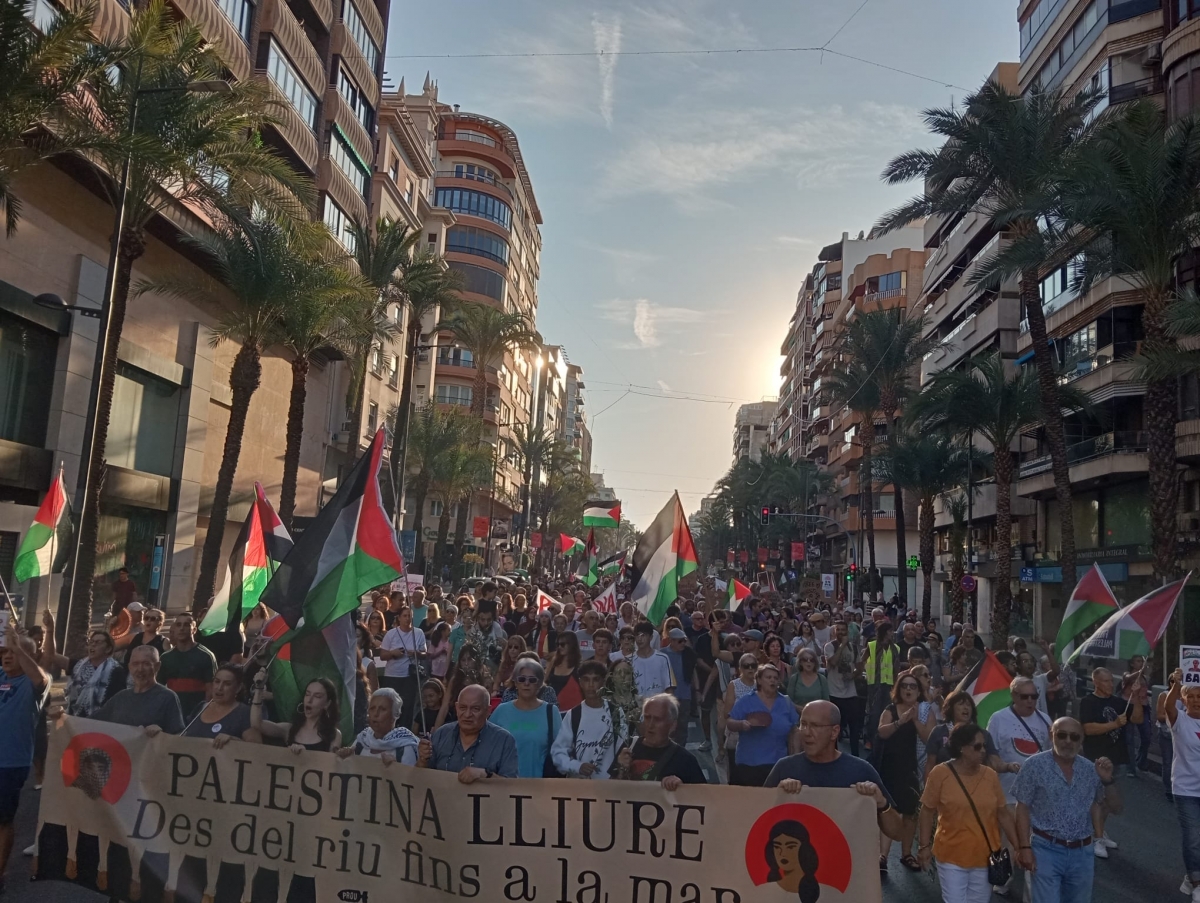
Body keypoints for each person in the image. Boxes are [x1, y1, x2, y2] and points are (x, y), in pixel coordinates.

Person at [765, 700, 904, 850]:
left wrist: (882, 803)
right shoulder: (784, 768)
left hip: (848, 868)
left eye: (815, 726)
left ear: (835, 732)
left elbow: (897, 833)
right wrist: (777, 795)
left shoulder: (861, 770)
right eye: (803, 724)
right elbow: (757, 824)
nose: (806, 732)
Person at [1013, 718, 1121, 903]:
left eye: (1074, 737)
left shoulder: (1091, 769)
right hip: (1045, 848)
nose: (1068, 741)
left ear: (1081, 740)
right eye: (1062, 735)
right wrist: (1024, 847)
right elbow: (1022, 807)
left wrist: (1107, 780)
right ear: (1051, 735)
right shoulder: (1034, 765)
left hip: (1082, 852)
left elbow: (1116, 808)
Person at [918, 722, 1019, 903]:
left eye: (984, 746)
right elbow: (927, 811)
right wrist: (924, 847)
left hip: (986, 855)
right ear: (961, 748)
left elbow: (1002, 814)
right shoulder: (940, 774)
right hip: (950, 855)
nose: (983, 751)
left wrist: (1019, 847)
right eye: (977, 746)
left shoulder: (990, 775)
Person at [0, 633, 50, 894]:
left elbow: (39, 677)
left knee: (2, 819)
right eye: (6, 652)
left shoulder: (35, 683)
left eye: (16, 652)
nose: (9, 656)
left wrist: (20, 648)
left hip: (10, 762)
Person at [875, 672, 936, 871]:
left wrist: (916, 719)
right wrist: (901, 720)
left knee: (910, 813)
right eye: (905, 686)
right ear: (898, 690)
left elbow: (930, 739)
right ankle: (882, 855)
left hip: (912, 768)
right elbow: (882, 732)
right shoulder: (890, 709)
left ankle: (906, 853)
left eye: (912, 686)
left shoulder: (925, 712)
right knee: (888, 810)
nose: (908, 690)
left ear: (919, 691)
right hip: (890, 766)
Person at [1080, 667, 1132, 856]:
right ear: (1096, 682)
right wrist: (1114, 724)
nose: (1110, 684)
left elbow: (1138, 717)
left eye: (1111, 680)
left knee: (1110, 801)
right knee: (1098, 800)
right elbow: (1088, 729)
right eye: (1106, 681)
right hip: (1097, 758)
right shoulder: (1088, 702)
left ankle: (1099, 830)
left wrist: (1136, 692)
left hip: (1117, 757)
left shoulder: (1119, 702)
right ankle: (1097, 837)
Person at [417, 684, 519, 780]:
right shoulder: (441, 734)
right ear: (456, 708)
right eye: (463, 708)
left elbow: (510, 787)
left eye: (475, 709)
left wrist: (485, 774)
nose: (467, 714)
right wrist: (422, 760)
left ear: (488, 711)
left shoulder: (504, 741)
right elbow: (421, 779)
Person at [551, 660, 629, 779]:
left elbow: (622, 751)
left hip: (608, 788)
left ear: (603, 682)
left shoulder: (616, 714)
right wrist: (577, 766)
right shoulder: (573, 715)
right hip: (578, 790)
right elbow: (558, 753)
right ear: (580, 682)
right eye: (586, 680)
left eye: (596, 679)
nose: (591, 685)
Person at [1161, 669, 1200, 901]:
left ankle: (1190, 876)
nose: (1196, 701)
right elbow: (1168, 706)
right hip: (1186, 789)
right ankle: (1196, 882)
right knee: (1193, 836)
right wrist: (1177, 683)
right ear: (1184, 700)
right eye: (1191, 697)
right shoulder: (1179, 720)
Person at [727, 664, 799, 787]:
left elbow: (794, 731)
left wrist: (795, 760)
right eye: (768, 677)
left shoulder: (786, 702)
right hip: (749, 764)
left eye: (775, 678)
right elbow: (730, 722)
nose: (772, 680)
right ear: (759, 680)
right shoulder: (746, 701)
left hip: (777, 764)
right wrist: (741, 724)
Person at [615, 694, 707, 788]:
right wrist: (621, 770)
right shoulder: (628, 747)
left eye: (657, 719)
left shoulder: (686, 760)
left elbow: (703, 798)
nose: (650, 725)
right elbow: (608, 791)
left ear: (672, 725)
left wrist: (682, 789)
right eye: (647, 717)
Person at [489, 659, 561, 778]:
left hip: (541, 786)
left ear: (539, 684)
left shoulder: (551, 712)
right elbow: (488, 745)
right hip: (505, 784)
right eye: (522, 679)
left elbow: (561, 750)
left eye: (532, 680)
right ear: (516, 683)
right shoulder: (501, 711)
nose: (526, 683)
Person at [987, 676, 1052, 800]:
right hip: (1008, 794)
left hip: (1038, 795)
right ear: (1014, 696)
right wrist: (1007, 767)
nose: (1030, 700)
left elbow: (1051, 753)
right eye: (1024, 696)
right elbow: (991, 756)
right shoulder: (998, 719)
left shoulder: (1046, 720)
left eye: (1034, 696)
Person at [93, 646, 185, 734]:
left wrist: (161, 733)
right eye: (135, 664)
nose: (140, 669)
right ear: (129, 667)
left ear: (157, 666)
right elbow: (90, 722)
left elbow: (178, 736)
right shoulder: (120, 698)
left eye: (146, 664)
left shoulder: (167, 697)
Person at [924, 690, 1008, 781]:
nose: (966, 708)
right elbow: (930, 765)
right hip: (945, 786)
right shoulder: (938, 732)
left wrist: (1008, 766)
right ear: (951, 708)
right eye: (961, 704)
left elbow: (995, 762)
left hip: (975, 785)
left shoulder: (983, 734)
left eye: (968, 705)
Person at [250, 673, 342, 753]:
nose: (309, 700)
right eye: (307, 694)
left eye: (317, 696)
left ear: (327, 703)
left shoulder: (334, 734)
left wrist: (306, 755)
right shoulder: (289, 729)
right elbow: (257, 724)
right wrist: (259, 688)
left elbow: (331, 765)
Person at [182, 663, 260, 745]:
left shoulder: (245, 713)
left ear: (238, 688)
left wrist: (234, 741)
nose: (219, 688)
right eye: (217, 681)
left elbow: (256, 748)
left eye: (227, 684)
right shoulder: (201, 707)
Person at [337, 687, 419, 764]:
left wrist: (396, 767)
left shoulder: (404, 747)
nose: (375, 714)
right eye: (372, 708)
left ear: (395, 715)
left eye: (382, 709)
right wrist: (344, 757)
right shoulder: (362, 741)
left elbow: (410, 777)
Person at [158, 613, 217, 718]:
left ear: (194, 629)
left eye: (186, 625)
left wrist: (204, 713)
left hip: (197, 715)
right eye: (178, 625)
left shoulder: (206, 656)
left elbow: (211, 690)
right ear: (174, 629)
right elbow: (159, 688)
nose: (181, 628)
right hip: (171, 714)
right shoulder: (165, 658)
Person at [380, 605, 427, 729]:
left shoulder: (418, 633)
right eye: (405, 616)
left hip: (409, 676)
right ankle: (388, 730)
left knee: (408, 706)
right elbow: (382, 656)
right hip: (392, 675)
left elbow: (425, 653)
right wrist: (392, 653)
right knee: (390, 705)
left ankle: (404, 731)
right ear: (399, 618)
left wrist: (416, 653)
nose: (407, 619)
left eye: (409, 616)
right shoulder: (391, 634)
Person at [823, 621, 864, 757]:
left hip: (850, 692)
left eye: (843, 630)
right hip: (834, 691)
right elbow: (833, 662)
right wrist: (842, 645)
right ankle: (832, 753)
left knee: (854, 726)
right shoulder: (830, 646)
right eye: (838, 630)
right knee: (834, 727)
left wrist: (853, 675)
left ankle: (855, 755)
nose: (841, 632)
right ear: (835, 632)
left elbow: (860, 666)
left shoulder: (854, 648)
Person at [861, 621, 898, 743]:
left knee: (887, 712)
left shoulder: (895, 648)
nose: (892, 633)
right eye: (890, 631)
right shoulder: (872, 645)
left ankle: (884, 738)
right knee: (874, 713)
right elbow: (862, 661)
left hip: (890, 684)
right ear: (885, 632)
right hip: (874, 685)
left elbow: (896, 667)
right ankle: (871, 738)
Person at [661, 628, 697, 742]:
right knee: (668, 726)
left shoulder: (688, 653)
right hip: (667, 696)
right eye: (680, 641)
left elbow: (693, 672)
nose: (683, 644)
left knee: (682, 726)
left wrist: (698, 690)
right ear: (671, 641)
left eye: (684, 640)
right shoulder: (662, 654)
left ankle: (681, 751)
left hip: (685, 695)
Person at [1120, 655, 1152, 778]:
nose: (1141, 663)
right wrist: (1140, 670)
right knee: (1129, 739)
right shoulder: (1126, 674)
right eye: (1138, 661)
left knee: (1147, 737)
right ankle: (1131, 768)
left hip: (1142, 708)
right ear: (1132, 664)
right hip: (1128, 707)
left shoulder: (1144, 677)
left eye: (1142, 661)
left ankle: (1141, 761)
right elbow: (1128, 678)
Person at [631, 622, 676, 701]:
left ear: (651, 637)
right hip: (635, 709)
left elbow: (669, 686)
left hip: (657, 707)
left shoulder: (663, 658)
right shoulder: (629, 660)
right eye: (637, 635)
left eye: (643, 635)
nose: (639, 639)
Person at [546, 630, 583, 710]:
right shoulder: (553, 662)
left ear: (571, 645)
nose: (559, 647)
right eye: (558, 644)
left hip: (570, 708)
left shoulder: (579, 667)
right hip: (551, 706)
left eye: (562, 644)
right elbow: (545, 681)